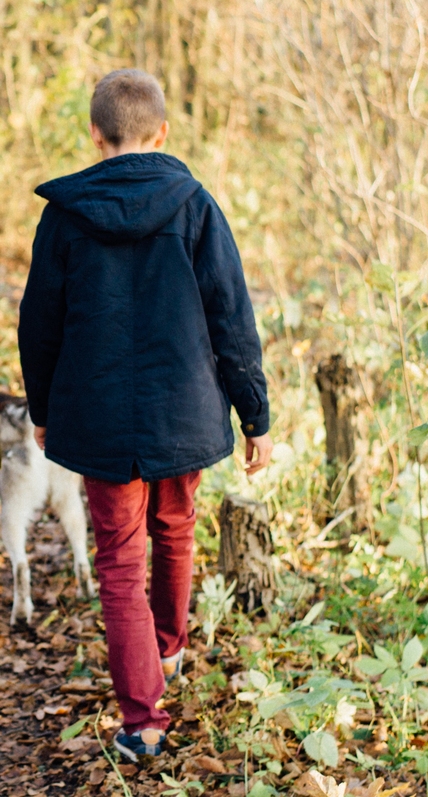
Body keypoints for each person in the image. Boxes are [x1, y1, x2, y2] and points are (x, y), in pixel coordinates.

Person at [17, 69, 273, 762]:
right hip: (182, 415)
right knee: (175, 528)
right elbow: (232, 318)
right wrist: (257, 416)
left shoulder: (65, 217)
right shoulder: (195, 206)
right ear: (163, 134)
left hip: (101, 420)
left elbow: (37, 326)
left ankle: (143, 718)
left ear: (95, 137)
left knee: (122, 562)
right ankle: (167, 646)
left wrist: (43, 409)